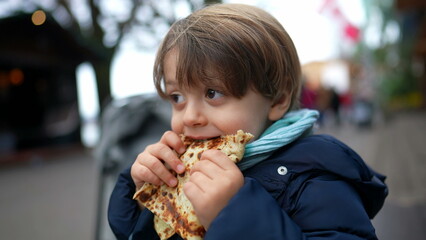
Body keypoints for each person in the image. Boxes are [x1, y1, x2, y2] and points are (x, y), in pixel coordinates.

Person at [108, 3, 388, 239]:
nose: (189, 118)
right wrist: (145, 199)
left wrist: (233, 214)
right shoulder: (181, 170)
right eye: (177, 97)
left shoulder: (315, 178)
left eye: (213, 93)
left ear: (277, 99)